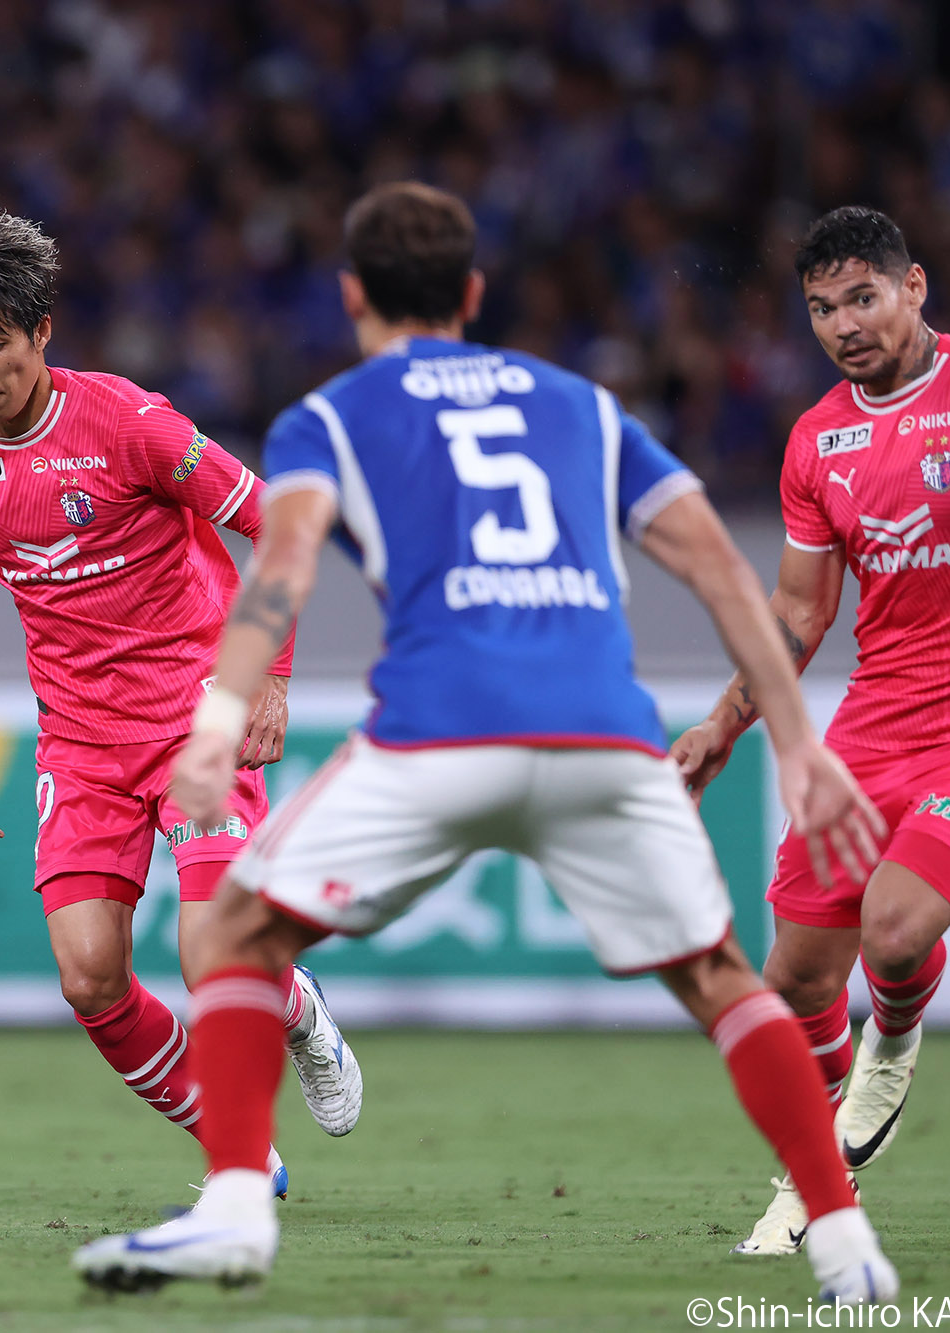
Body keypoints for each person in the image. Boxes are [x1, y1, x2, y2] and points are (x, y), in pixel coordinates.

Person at [73, 182, 900, 1305]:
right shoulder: (580, 405)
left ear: (351, 295)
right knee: (718, 977)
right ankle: (846, 1242)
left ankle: (234, 1206)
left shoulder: (329, 417)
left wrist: (217, 723)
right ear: (470, 291)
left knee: (230, 933)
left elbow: (279, 571)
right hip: (600, 733)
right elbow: (715, 564)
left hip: (438, 731)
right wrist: (794, 744)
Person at [0, 206, 362, 1189]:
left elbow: (273, 521)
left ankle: (294, 1015)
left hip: (197, 717)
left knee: (211, 954)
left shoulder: (128, 422)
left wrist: (272, 677)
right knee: (88, 976)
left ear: (42, 331)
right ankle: (233, 1140)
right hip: (79, 744)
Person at [671, 206, 950, 1254]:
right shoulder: (816, 439)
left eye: (861, 297)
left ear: (912, 287)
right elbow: (800, 612)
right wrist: (722, 723)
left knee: (892, 930)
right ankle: (822, 1162)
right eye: (820, 308)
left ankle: (890, 1042)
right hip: (874, 724)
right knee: (792, 979)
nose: (843, 324)